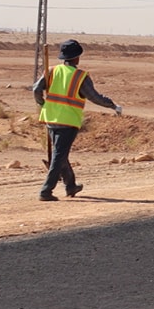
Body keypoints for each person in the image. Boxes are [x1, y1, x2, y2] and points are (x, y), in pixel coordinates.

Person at [31, 39, 121, 201]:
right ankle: (46, 190)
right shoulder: (80, 76)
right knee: (59, 155)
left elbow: (37, 89)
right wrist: (112, 105)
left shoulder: (51, 71)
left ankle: (70, 185)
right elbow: (94, 97)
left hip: (51, 118)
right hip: (68, 121)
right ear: (77, 57)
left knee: (60, 154)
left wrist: (42, 104)